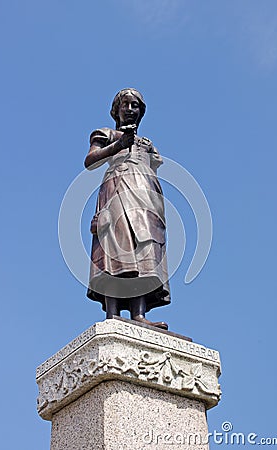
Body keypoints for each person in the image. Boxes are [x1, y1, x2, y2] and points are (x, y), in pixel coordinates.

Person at [85, 88, 170, 330]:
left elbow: (154, 165)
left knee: (143, 251)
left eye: (135, 106)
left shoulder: (147, 144)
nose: (130, 110)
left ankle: (139, 314)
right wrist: (119, 145)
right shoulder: (106, 134)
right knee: (115, 249)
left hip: (145, 197)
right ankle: (112, 312)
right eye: (126, 105)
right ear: (117, 109)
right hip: (117, 190)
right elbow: (90, 161)